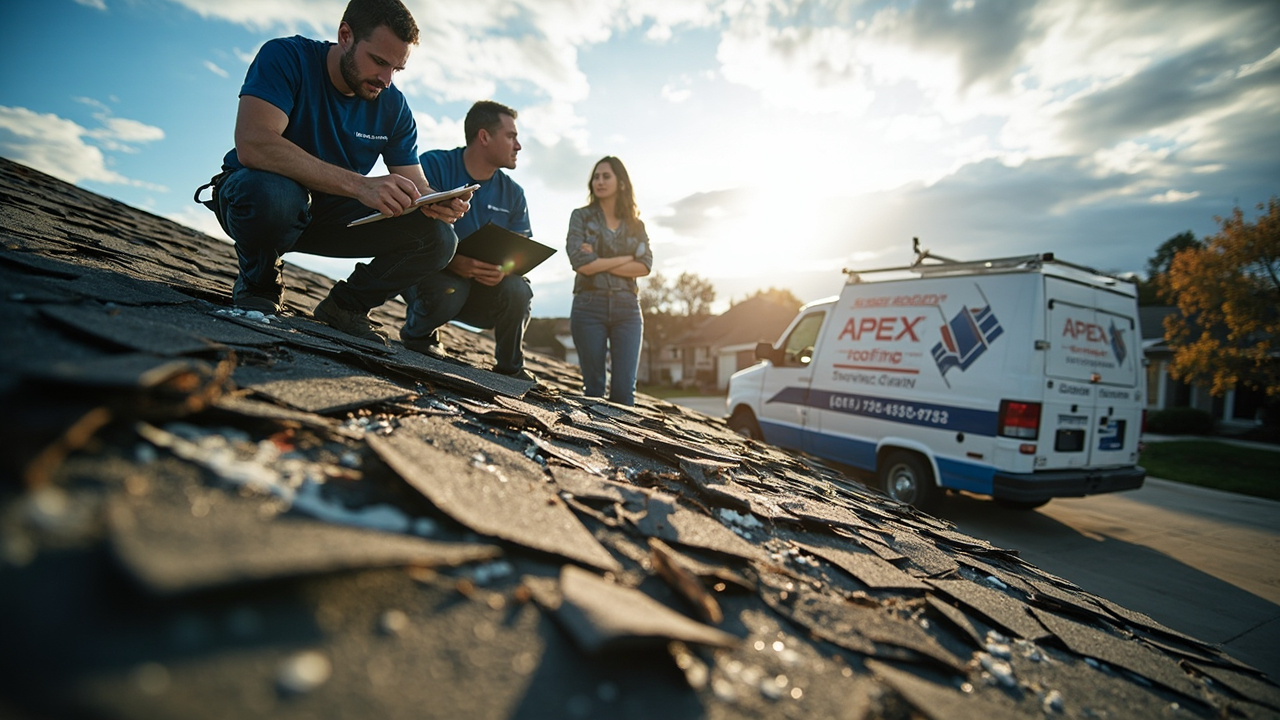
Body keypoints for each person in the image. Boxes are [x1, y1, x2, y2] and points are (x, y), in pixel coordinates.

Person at [197, 0, 470, 345]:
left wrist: (436, 202)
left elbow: (416, 183)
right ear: (345, 35)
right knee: (275, 195)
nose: (386, 80)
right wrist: (360, 186)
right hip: (259, 204)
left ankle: (347, 306)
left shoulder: (393, 106)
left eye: (397, 70)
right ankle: (260, 280)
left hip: (330, 217)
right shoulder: (286, 56)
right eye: (379, 62)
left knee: (438, 237)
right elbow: (254, 143)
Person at [401, 101, 535, 380]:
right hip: (433, 280)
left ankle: (510, 366)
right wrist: (453, 261)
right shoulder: (433, 166)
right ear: (484, 137)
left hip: (483, 293)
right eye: (511, 136)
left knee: (518, 288)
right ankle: (418, 333)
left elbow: (520, 251)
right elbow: (408, 233)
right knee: (451, 287)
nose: (518, 145)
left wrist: (504, 270)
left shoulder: (514, 194)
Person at [566, 156, 653, 405]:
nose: (600, 181)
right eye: (596, 176)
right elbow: (581, 264)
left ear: (621, 183)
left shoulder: (636, 225)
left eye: (606, 176)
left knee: (624, 394)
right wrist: (627, 257)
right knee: (593, 389)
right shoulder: (580, 217)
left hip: (628, 309)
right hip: (588, 306)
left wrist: (598, 261)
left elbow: (645, 265)